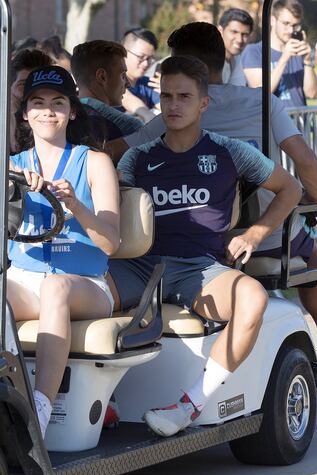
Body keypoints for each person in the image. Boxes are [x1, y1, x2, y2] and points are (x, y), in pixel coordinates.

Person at [112, 22, 317, 376]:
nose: (174, 96)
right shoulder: (263, 101)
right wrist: (316, 197)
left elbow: (118, 151)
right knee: (314, 257)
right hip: (257, 234)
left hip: (200, 238)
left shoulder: (172, 116)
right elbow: (306, 161)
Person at [109, 54, 301, 437]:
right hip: (139, 265)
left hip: (199, 268)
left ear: (203, 103)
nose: (173, 105)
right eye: (166, 96)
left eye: (184, 96)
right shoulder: (137, 158)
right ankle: (100, 402)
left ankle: (190, 404)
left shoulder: (229, 151)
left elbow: (290, 188)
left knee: (254, 299)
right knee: (73, 293)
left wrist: (254, 233)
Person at [8, 65, 120, 438]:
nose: (47, 111)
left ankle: (39, 411)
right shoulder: (12, 166)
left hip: (85, 282)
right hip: (25, 278)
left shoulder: (94, 162)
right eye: (37, 103)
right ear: (25, 113)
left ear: (72, 111)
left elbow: (109, 242)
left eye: (58, 103)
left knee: (56, 289)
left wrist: (76, 205)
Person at [242, 0, 317, 107]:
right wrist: (284, 58)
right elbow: (260, 93)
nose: (290, 30)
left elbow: (312, 93)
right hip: (272, 123)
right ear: (273, 20)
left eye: (295, 25)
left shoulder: (298, 52)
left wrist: (307, 61)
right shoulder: (254, 51)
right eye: (286, 23)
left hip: (299, 122)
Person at [71, 40, 142, 145]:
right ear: (102, 77)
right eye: (122, 75)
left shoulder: (65, 119)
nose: (128, 84)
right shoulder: (125, 128)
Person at [10, 48, 54, 154]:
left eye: (39, 86)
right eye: (24, 84)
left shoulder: (53, 121)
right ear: (9, 85)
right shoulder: (4, 123)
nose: (32, 91)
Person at [121, 28, 161, 122]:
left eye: (150, 58)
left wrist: (169, 93)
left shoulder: (148, 84)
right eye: (141, 57)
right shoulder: (109, 80)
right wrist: (147, 115)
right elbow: (124, 96)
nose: (146, 64)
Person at [218, 8, 254, 86]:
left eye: (245, 34)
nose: (239, 40)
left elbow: (238, 92)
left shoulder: (236, 59)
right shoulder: (209, 59)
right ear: (220, 31)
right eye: (234, 32)